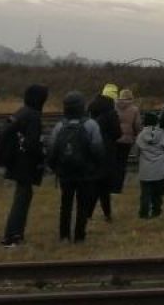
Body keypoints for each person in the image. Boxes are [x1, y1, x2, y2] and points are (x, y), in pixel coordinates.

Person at [47, 91, 105, 242]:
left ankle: (64, 236)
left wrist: (55, 168)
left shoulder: (60, 125)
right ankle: (80, 236)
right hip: (85, 172)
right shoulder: (91, 124)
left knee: (65, 204)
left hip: (65, 172)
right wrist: (96, 168)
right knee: (82, 205)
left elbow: (52, 149)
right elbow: (98, 149)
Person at [0, 84, 50, 247]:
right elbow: (32, 144)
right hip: (26, 165)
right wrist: (43, 154)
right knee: (21, 200)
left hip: (16, 162)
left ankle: (15, 234)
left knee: (22, 197)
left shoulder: (21, 112)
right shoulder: (33, 116)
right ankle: (12, 236)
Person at [89, 89, 123, 222]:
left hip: (93, 150)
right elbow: (117, 133)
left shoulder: (91, 110)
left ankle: (88, 213)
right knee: (104, 186)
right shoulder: (111, 113)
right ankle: (107, 214)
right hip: (107, 151)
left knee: (93, 184)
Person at [135, 110, 164, 219]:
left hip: (145, 169)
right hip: (159, 168)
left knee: (145, 193)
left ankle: (143, 212)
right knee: (157, 193)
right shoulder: (162, 135)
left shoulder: (141, 136)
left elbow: (137, 152)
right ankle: (156, 211)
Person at [114, 87, 141, 189]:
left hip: (115, 138)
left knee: (114, 162)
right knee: (122, 164)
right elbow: (137, 125)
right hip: (127, 140)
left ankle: (111, 185)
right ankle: (118, 187)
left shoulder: (114, 107)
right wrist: (136, 135)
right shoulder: (134, 109)